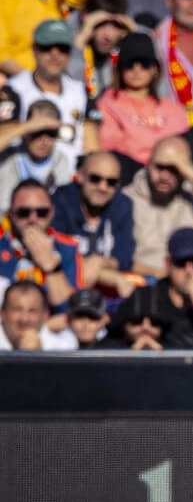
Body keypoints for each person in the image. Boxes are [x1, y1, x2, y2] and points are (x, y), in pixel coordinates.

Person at [123, 134, 193, 276]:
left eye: (174, 169)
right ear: (148, 164)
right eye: (160, 167)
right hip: (142, 281)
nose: (165, 176)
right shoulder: (126, 199)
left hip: (189, 280)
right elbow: (116, 257)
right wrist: (164, 276)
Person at [111, 226, 193, 349]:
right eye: (181, 262)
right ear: (168, 264)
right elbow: (110, 343)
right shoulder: (143, 298)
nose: (189, 270)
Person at [6, 20, 96, 171]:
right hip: (23, 182)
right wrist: (29, 127)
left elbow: (92, 149)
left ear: (70, 52)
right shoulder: (14, 90)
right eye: (46, 47)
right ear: (34, 49)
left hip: (70, 184)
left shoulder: (81, 92)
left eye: (62, 48)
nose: (55, 54)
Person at [97, 32, 191, 167]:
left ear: (155, 69)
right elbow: (110, 147)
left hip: (170, 173)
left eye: (144, 64)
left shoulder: (173, 109)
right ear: (119, 69)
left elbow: (182, 148)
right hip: (128, 174)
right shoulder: (107, 104)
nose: (137, 70)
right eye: (129, 64)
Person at [50, 150, 135, 292]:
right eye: (95, 179)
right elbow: (57, 256)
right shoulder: (61, 201)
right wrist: (101, 271)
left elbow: (124, 259)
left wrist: (98, 262)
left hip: (106, 288)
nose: (103, 187)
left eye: (111, 182)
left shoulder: (123, 205)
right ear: (80, 176)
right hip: (66, 286)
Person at [0, 179, 85, 308]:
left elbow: (69, 311)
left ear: (51, 213)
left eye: (41, 212)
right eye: (23, 212)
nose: (33, 219)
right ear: (10, 214)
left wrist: (51, 266)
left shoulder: (68, 248)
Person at [0, 101, 76, 206]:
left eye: (51, 133)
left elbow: (64, 207)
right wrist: (27, 126)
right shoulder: (9, 156)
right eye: (37, 132)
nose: (44, 141)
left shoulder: (60, 160)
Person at [68, 0, 135, 100]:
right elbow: (72, 83)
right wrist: (81, 38)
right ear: (85, 17)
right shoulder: (67, 35)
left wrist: (134, 36)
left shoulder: (127, 34)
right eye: (101, 24)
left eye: (115, 25)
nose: (108, 35)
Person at [0, 282, 70, 351]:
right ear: (2, 312)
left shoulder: (64, 347)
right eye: (17, 309)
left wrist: (38, 357)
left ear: (45, 315)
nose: (24, 319)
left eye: (32, 311)